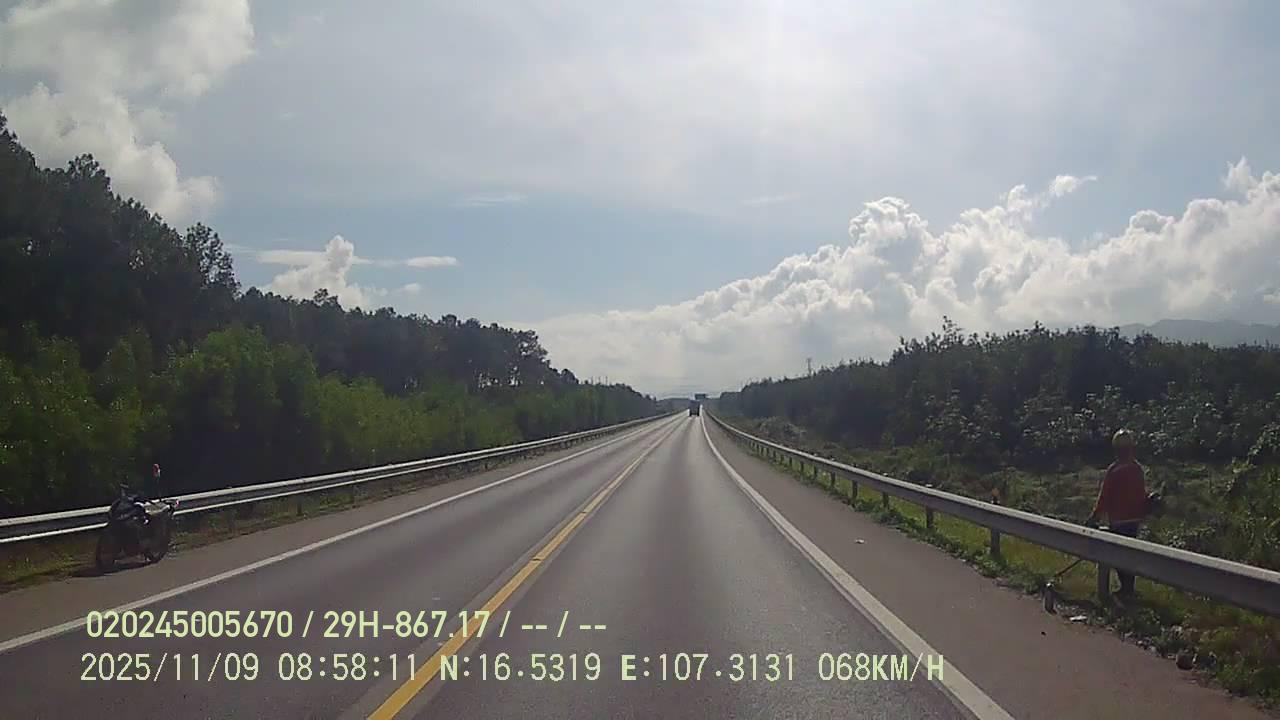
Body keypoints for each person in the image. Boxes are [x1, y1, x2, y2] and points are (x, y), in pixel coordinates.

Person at [1086, 428, 1147, 598]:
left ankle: (1126, 590)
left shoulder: (1115, 470)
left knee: (1119, 557)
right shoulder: (1137, 468)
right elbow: (1142, 494)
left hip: (1119, 520)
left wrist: (1094, 517)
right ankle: (1128, 589)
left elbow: (1104, 497)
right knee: (1128, 556)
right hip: (1133, 520)